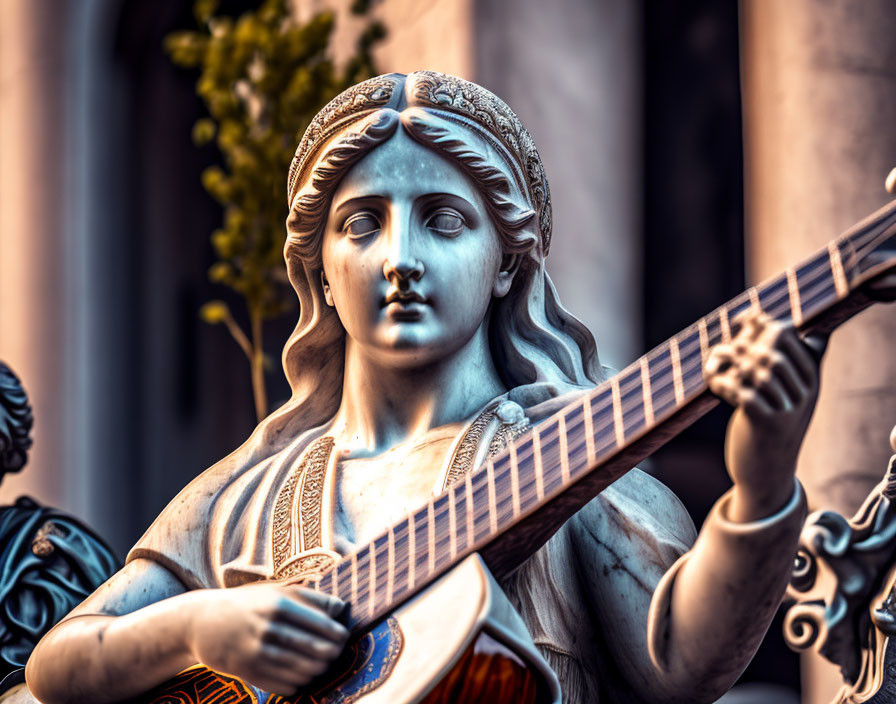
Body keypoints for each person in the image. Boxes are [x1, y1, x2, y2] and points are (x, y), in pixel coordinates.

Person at [24, 71, 822, 704]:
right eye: (363, 223)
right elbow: (54, 666)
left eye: (443, 219)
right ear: (321, 274)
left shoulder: (568, 457)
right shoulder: (243, 497)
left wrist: (762, 487)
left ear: (507, 261)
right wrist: (197, 627)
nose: (400, 257)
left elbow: (681, 663)